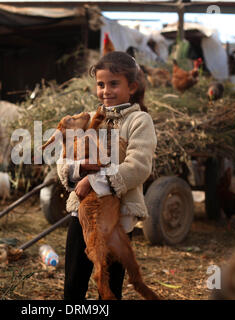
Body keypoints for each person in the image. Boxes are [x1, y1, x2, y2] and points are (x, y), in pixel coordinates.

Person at [56, 51, 157, 300]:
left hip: (118, 218)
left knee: (110, 286)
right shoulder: (89, 119)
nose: (106, 91)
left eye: (114, 84)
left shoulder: (139, 121)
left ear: (131, 87)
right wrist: (78, 170)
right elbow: (63, 160)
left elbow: (139, 166)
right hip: (82, 214)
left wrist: (94, 180)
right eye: (101, 84)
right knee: (74, 282)